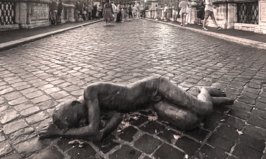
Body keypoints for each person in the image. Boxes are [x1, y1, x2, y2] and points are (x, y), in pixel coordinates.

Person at [39, 76, 234, 141]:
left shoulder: (90, 93)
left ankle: (204, 91)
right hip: (152, 102)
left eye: (77, 118)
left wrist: (63, 133)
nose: (82, 121)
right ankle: (202, 99)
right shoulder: (97, 108)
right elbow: (113, 120)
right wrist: (103, 130)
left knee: (204, 109)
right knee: (189, 121)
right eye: (78, 123)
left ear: (75, 104)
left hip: (155, 86)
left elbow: (92, 129)